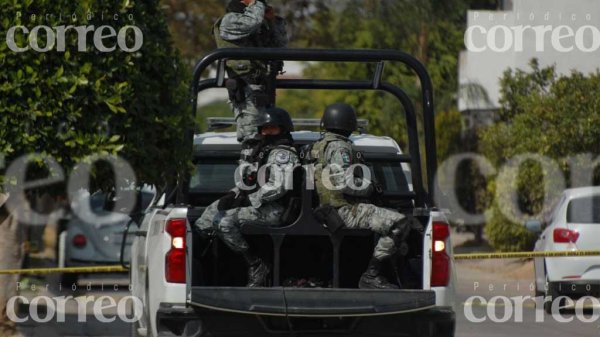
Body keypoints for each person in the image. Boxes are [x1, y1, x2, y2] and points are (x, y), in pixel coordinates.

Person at [310, 103, 416, 289]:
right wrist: (370, 188)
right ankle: (371, 275)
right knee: (400, 222)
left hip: (326, 211)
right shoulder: (340, 148)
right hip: (344, 210)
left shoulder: (318, 147)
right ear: (350, 123)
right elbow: (343, 181)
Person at [195, 107, 298, 287]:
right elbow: (247, 182)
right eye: (264, 128)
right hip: (259, 205)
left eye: (272, 128)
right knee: (205, 219)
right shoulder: (262, 152)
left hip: (275, 209)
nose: (267, 132)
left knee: (223, 221)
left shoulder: (283, 154)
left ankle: (256, 263)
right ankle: (199, 269)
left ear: (283, 129)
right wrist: (233, 195)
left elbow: (278, 187)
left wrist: (250, 199)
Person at [213, 0, 288, 161]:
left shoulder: (258, 22)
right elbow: (251, 22)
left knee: (272, 138)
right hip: (246, 90)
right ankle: (248, 181)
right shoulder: (229, 20)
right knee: (253, 141)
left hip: (264, 88)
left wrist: (272, 21)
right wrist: (257, 5)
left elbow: (280, 47)